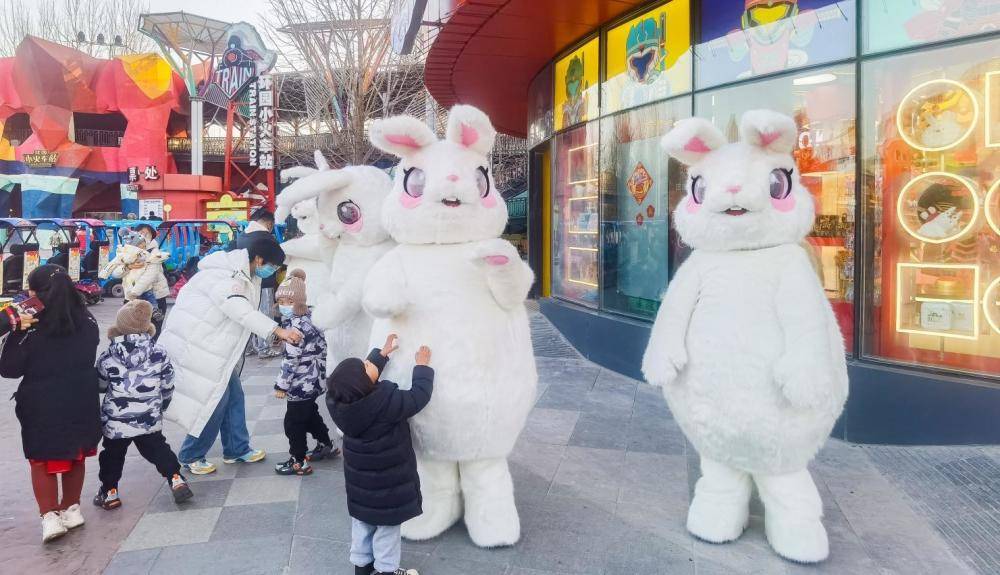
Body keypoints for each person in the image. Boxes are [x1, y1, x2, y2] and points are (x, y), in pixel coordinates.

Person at [159, 233, 302, 475]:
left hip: (213, 347)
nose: (272, 270)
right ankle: (191, 454)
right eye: (271, 265)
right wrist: (277, 330)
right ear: (258, 259)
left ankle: (236, 448)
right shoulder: (223, 276)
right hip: (199, 347)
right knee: (214, 401)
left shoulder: (244, 275)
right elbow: (239, 310)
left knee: (234, 396)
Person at [0, 264, 101, 543]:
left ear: (35, 292)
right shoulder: (87, 319)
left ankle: (49, 517)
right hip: (81, 397)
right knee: (76, 453)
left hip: (42, 401)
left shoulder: (30, 324)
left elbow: (9, 369)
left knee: (42, 460)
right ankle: (72, 509)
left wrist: (16, 329)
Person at [327, 335, 434, 575]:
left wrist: (380, 354)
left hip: (360, 491)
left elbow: (357, 378)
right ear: (363, 382)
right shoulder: (387, 404)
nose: (369, 363)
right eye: (366, 366)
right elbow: (418, 396)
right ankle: (387, 571)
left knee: (362, 531)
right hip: (389, 491)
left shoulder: (338, 402)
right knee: (387, 535)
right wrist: (423, 367)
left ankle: (362, 571)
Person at [93, 300, 193, 510]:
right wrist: (163, 402)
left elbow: (101, 384)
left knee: (112, 455)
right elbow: (167, 383)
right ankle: (175, 478)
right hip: (148, 416)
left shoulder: (108, 355)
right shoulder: (159, 352)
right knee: (158, 449)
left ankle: (110, 492)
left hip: (117, 421)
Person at [273, 269, 337, 476]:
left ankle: (298, 461)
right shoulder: (310, 317)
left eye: (288, 301)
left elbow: (291, 360)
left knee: (293, 422)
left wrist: (281, 386)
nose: (283, 305)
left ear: (298, 301)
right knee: (309, 413)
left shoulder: (295, 328)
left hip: (300, 383)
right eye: (280, 300)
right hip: (315, 379)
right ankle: (326, 443)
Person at [234, 208, 282, 358]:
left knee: (248, 313)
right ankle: (264, 348)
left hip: (244, 280)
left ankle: (247, 348)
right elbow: (278, 259)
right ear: (269, 224)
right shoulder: (266, 238)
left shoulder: (242, 236)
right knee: (265, 314)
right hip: (263, 282)